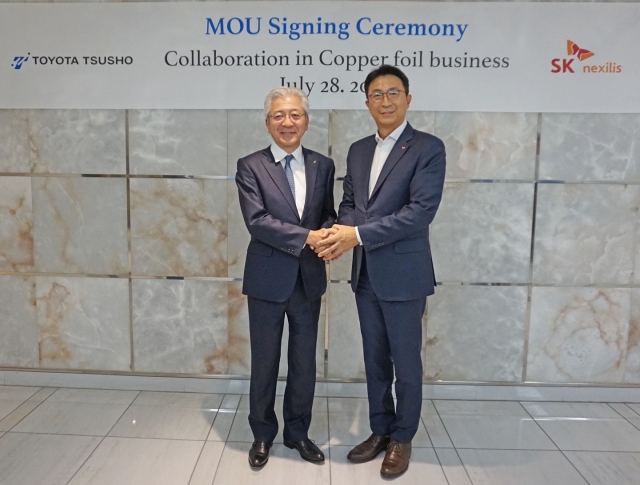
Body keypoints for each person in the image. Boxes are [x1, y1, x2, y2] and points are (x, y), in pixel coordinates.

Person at [315, 65, 446, 477]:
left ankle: (402, 438)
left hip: (404, 274)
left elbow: (419, 213)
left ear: (408, 99)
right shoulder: (358, 150)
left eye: (393, 93)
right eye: (377, 94)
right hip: (365, 273)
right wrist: (341, 235)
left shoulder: (427, 148)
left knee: (406, 362)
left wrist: (357, 235)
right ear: (367, 102)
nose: (385, 101)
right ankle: (380, 430)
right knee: (375, 359)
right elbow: (351, 202)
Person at [236, 87, 336, 468]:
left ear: (306, 122)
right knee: (265, 360)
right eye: (279, 115)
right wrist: (309, 237)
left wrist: (328, 234)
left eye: (295, 115)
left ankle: (298, 432)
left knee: (303, 361)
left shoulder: (322, 165)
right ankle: (263, 434)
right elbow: (257, 222)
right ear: (267, 123)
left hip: (308, 277)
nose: (287, 122)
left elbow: (326, 214)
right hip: (266, 277)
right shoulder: (250, 165)